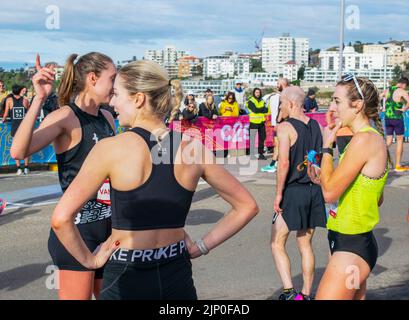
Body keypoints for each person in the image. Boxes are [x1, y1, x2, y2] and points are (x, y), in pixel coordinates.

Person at [50, 60, 259, 300]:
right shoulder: (192, 148)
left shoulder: (111, 149)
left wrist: (91, 260)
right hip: (176, 271)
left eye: (117, 94)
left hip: (126, 274)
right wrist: (200, 246)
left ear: (138, 99)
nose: (112, 102)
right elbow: (247, 206)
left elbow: (60, 218)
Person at [10, 53, 116, 300]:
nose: (115, 84)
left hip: (108, 230)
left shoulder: (108, 117)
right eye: (112, 78)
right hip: (76, 233)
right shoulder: (66, 117)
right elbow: (18, 151)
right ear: (92, 78)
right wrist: (38, 99)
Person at [311, 75, 389, 300]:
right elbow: (376, 197)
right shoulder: (367, 138)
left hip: (351, 246)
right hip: (349, 241)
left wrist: (326, 147)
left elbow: (329, 194)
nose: (332, 108)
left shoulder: (363, 140)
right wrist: (324, 178)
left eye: (337, 101)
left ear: (358, 105)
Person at [271, 86, 326, 300]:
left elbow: (283, 162)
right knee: (305, 244)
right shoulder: (316, 126)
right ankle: (306, 294)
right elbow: (318, 161)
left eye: (282, 103)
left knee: (276, 242)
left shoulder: (285, 127)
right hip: (314, 190)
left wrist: (278, 194)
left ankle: (289, 292)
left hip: (293, 191)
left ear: (292, 104)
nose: (281, 107)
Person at [261, 78, 290, 173]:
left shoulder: (285, 95)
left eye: (278, 83)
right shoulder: (289, 93)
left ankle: (273, 164)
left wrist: (277, 122)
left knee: (277, 144)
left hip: (281, 123)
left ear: (283, 84)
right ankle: (277, 163)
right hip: (285, 123)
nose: (276, 85)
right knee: (281, 144)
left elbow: (282, 109)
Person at [381, 77, 409, 172]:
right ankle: (398, 165)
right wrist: (404, 109)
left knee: (388, 141)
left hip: (387, 118)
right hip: (397, 118)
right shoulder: (402, 91)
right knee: (400, 140)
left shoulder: (388, 89)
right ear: (404, 84)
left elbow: (379, 97)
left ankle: (378, 158)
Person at [2, 85, 30, 175]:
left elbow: (6, 114)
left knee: (15, 147)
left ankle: (18, 168)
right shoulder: (25, 100)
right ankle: (26, 167)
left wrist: (4, 120)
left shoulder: (9, 100)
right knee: (25, 147)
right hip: (24, 126)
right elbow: (29, 113)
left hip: (15, 127)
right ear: (20, 91)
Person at [246, 88, 269, 160]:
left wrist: (260, 109)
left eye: (258, 92)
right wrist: (262, 109)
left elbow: (266, 110)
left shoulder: (262, 101)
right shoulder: (251, 101)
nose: (257, 94)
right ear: (254, 93)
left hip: (261, 122)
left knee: (262, 138)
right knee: (252, 139)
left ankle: (261, 154)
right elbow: (255, 110)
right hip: (253, 122)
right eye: (256, 92)